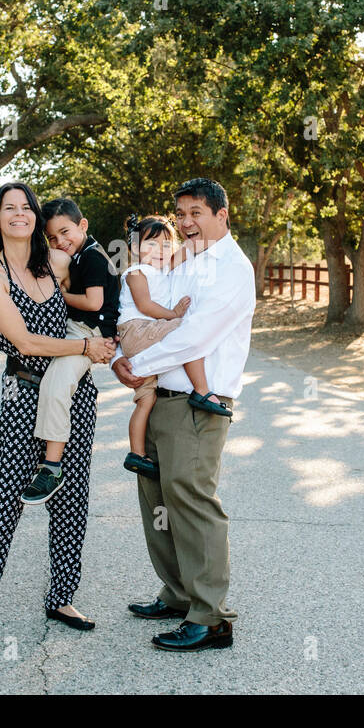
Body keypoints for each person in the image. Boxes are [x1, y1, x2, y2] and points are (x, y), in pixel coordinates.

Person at [0, 182, 115, 641]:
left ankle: (62, 598)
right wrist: (86, 344)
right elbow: (24, 342)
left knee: (71, 498)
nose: (20, 214)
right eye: (10, 208)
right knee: (6, 498)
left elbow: (98, 267)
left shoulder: (57, 263)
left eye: (27, 207)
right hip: (23, 392)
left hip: (73, 396)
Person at [111, 178, 256, 652]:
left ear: (222, 215)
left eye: (196, 212)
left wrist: (137, 367)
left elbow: (194, 338)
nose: (187, 222)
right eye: (181, 214)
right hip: (158, 398)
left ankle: (211, 617)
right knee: (157, 501)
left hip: (197, 404)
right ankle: (177, 594)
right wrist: (119, 360)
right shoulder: (180, 261)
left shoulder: (232, 268)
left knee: (192, 503)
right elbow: (141, 315)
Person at [115, 213, 231, 481]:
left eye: (166, 245)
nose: (160, 251)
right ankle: (202, 390)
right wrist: (174, 315)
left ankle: (136, 454)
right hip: (137, 330)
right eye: (151, 244)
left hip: (143, 335)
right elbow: (144, 305)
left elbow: (188, 249)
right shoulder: (136, 272)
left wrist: (204, 227)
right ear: (134, 248)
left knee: (145, 400)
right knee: (186, 330)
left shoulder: (162, 268)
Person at [22, 198, 121, 506]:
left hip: (88, 332)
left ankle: (51, 467)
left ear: (83, 225)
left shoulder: (93, 257)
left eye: (65, 232)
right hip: (81, 330)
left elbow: (93, 303)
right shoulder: (80, 254)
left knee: (55, 385)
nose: (60, 242)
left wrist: (59, 295)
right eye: (52, 238)